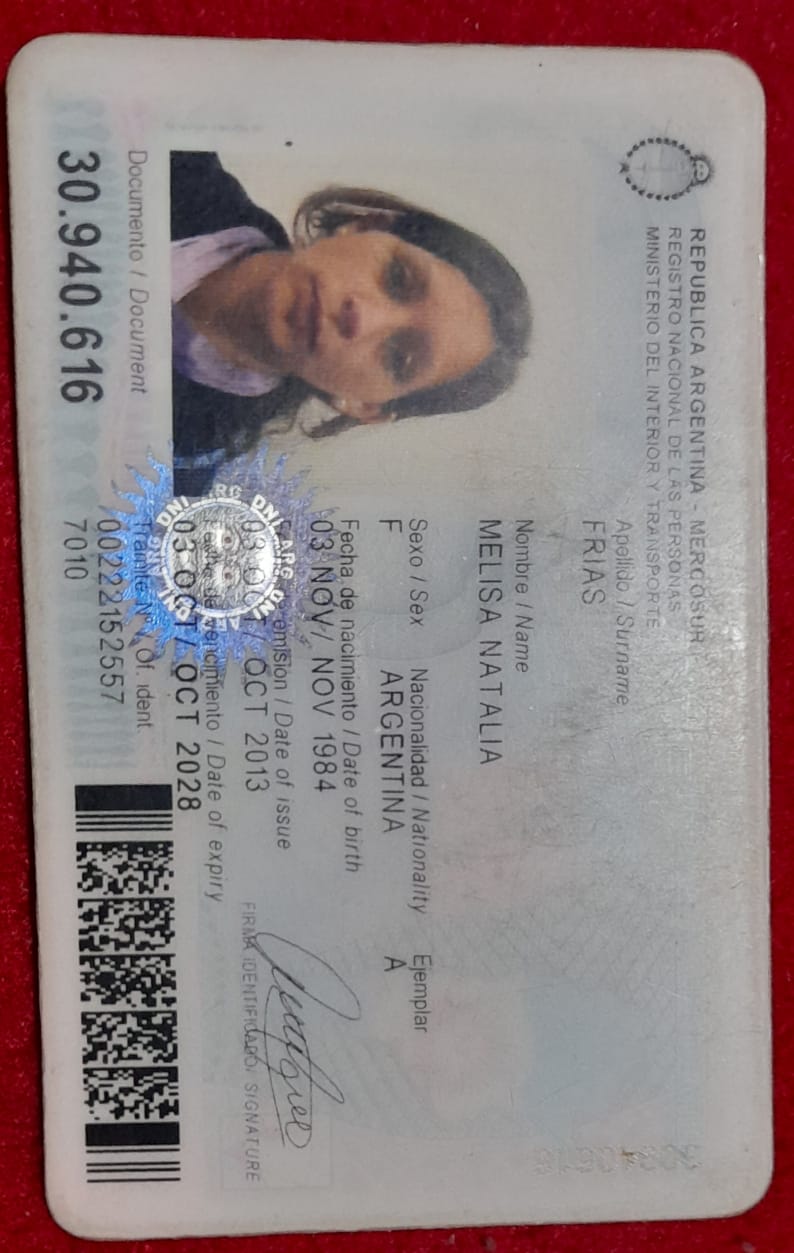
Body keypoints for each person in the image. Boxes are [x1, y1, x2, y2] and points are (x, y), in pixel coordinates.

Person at [171, 152, 530, 494]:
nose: (361, 318)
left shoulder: (170, 482)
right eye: (397, 278)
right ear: (364, 226)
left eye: (399, 357)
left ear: (364, 405)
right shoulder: (170, 155)